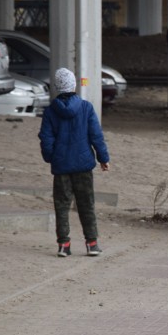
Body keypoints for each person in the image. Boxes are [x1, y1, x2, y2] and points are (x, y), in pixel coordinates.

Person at [39, 68, 110, 257]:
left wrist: (51, 157)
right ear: (74, 85)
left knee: (62, 205)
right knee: (87, 204)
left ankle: (64, 245)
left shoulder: (50, 112)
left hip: (61, 166)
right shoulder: (86, 108)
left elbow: (46, 138)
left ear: (56, 87)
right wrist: (103, 158)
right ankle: (92, 243)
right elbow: (96, 136)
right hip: (84, 164)